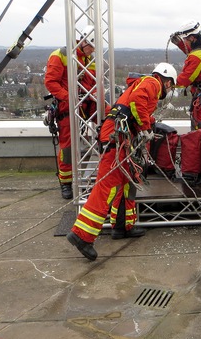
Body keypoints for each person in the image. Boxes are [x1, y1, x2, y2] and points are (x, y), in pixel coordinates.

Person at [66, 63, 177, 261]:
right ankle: (82, 235)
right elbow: (137, 101)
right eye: (171, 86)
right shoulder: (152, 82)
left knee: (127, 183)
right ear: (167, 80)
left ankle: (123, 226)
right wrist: (144, 127)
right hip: (116, 138)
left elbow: (136, 107)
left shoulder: (147, 83)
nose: (168, 90)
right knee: (106, 186)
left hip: (123, 138)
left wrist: (147, 125)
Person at [44, 25, 97, 199]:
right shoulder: (61, 55)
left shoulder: (91, 59)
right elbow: (51, 82)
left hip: (87, 105)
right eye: (90, 46)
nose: (91, 50)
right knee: (67, 147)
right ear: (82, 41)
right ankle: (66, 183)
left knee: (105, 131)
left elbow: (93, 83)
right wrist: (70, 98)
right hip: (68, 107)